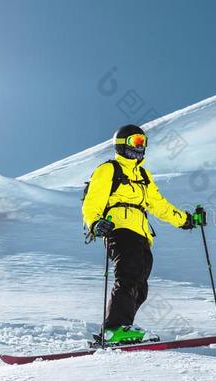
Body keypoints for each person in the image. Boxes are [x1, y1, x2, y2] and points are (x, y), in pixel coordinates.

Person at [82, 124, 196, 345]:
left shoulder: (143, 175)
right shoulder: (109, 169)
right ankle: (115, 328)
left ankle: (121, 329)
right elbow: (92, 201)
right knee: (128, 276)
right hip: (119, 228)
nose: (140, 147)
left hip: (141, 233)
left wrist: (185, 220)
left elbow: (158, 204)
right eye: (135, 142)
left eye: (143, 143)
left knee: (140, 286)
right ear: (122, 143)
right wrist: (95, 223)